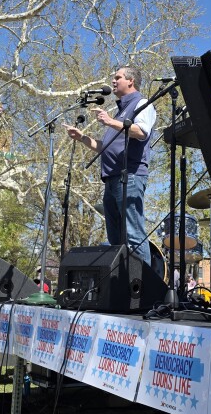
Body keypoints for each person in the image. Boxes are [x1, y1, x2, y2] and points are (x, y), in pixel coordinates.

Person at [64, 65, 156, 267]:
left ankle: (147, 288)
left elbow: (141, 132)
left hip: (130, 176)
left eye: (118, 77)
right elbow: (104, 147)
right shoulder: (120, 111)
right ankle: (124, 284)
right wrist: (82, 138)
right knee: (116, 238)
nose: (113, 81)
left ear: (130, 81)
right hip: (112, 178)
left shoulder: (142, 104)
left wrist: (109, 122)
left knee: (133, 232)